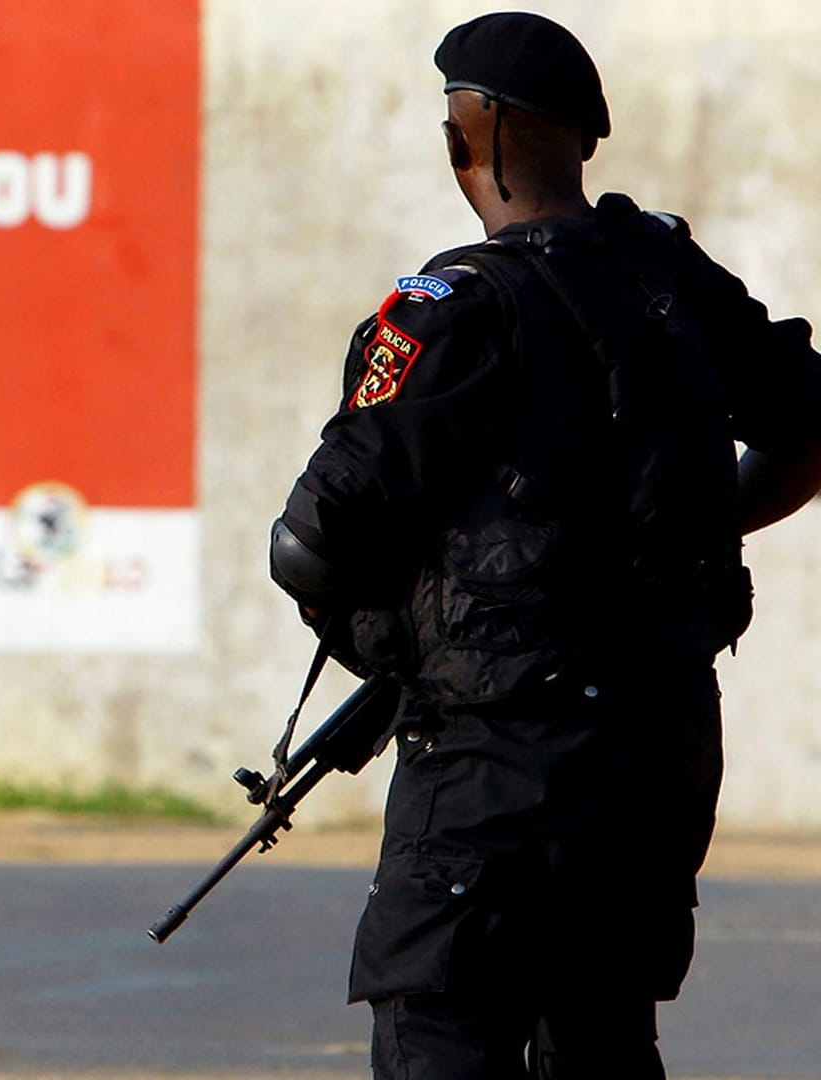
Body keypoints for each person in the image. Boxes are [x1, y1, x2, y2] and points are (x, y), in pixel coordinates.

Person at [267, 13, 821, 1077]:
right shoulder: (668, 277)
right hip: (657, 762)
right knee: (605, 1041)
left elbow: (310, 543)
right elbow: (808, 428)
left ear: (465, 140)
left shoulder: (454, 307)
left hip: (492, 777)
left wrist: (401, 655)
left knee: (443, 1034)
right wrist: (683, 532)